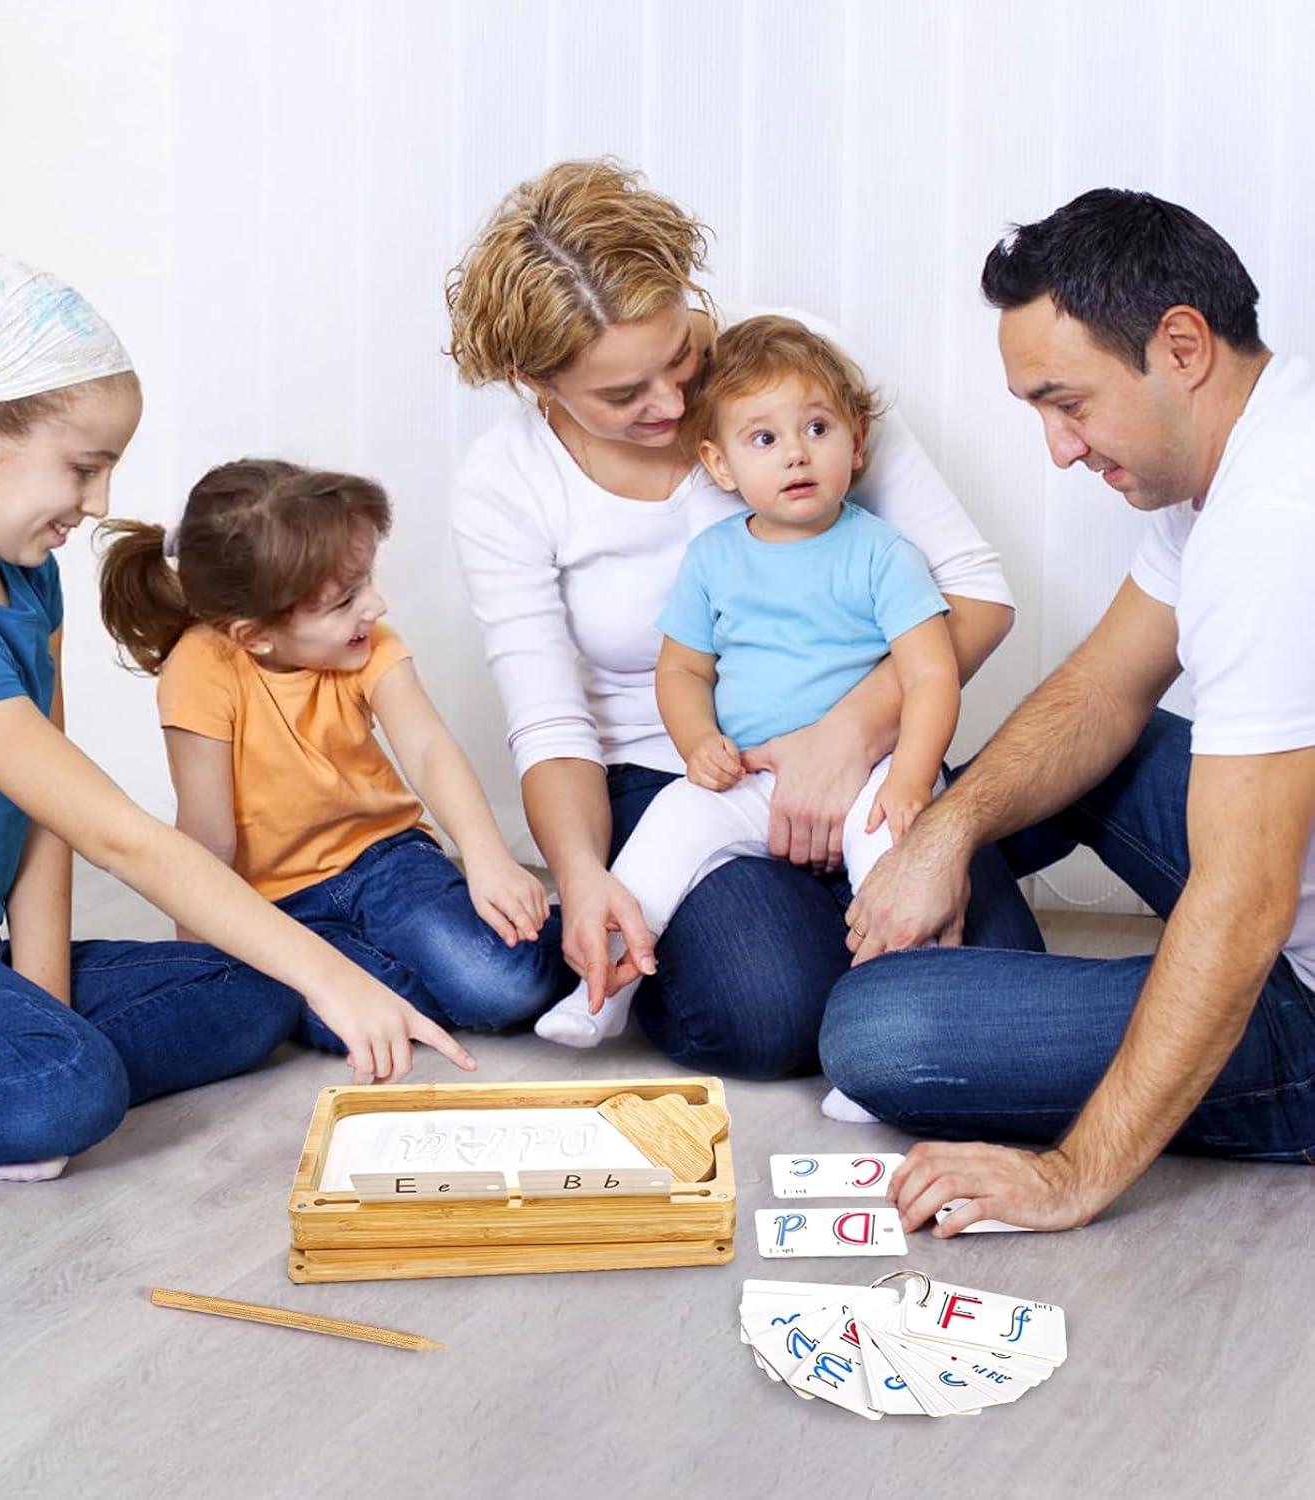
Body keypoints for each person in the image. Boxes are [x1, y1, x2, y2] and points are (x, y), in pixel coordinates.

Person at [0, 220, 473, 1185]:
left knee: (254, 990)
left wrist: (40, 998)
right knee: (67, 1084)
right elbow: (118, 835)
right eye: (84, 466)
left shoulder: (25, 578)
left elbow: (46, 825)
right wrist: (334, 975)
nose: (99, 498)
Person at [447, 159, 1042, 1079]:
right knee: (770, 1016)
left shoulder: (793, 380)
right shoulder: (505, 481)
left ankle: (832, 938)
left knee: (1000, 979)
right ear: (535, 382)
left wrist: (844, 738)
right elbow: (552, 721)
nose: (674, 405)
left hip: (873, 739)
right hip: (675, 769)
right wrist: (582, 875)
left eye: (679, 354)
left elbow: (973, 593)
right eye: (623, 395)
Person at [821, 188, 1315, 1233]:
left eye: (1069, 402)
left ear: (1181, 345)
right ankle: (928, 905)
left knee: (883, 1031)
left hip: (1298, 985)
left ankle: (982, 987)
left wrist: (1072, 1174)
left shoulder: (1276, 529)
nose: (1058, 447)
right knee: (1094, 751)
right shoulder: (1254, 441)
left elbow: (1242, 901)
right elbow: (1103, 688)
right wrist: (944, 831)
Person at [534, 316, 958, 1062]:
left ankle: (891, 1044)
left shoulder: (881, 553)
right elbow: (684, 670)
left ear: (857, 442)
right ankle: (607, 990)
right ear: (719, 464)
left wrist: (912, 781)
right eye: (763, 439)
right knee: (668, 829)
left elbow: (930, 675)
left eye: (818, 428)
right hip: (753, 773)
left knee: (892, 869)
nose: (795, 453)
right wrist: (699, 744)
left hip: (869, 771)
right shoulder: (714, 557)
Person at [98, 460, 570, 1051]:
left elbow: (427, 751)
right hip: (277, 901)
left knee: (501, 989)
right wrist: (204, 954)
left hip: (387, 858)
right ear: (255, 635)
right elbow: (206, 833)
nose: (376, 605)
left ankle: (564, 929)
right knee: (341, 1020)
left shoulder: (369, 646)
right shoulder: (199, 669)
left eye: (367, 581)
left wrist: (487, 858)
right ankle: (431, 970)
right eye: (346, 599)